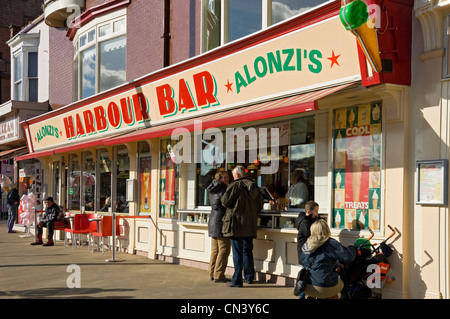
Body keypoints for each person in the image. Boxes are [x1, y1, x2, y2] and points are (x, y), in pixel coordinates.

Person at [221, 165, 263, 287]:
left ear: (237, 175)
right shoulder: (254, 186)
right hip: (250, 225)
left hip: (236, 224)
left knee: (237, 253)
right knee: (248, 251)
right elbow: (260, 206)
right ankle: (249, 277)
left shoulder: (235, 185)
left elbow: (224, 202)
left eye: (233, 175)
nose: (232, 177)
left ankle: (237, 280)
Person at [300, 219, 356, 299]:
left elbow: (303, 260)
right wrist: (351, 247)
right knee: (340, 285)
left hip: (307, 285)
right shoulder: (330, 243)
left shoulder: (307, 243)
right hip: (324, 286)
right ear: (327, 229)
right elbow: (348, 257)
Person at [207, 170, 231, 283]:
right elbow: (227, 204)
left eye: (227, 177)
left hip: (212, 219)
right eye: (224, 177)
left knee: (215, 249)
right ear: (219, 179)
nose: (226, 179)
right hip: (221, 220)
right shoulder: (223, 189)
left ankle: (212, 273)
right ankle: (219, 274)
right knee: (224, 249)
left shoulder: (213, 188)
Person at [296, 201, 321, 265]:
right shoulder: (305, 223)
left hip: (308, 254)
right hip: (305, 255)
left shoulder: (310, 220)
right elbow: (312, 235)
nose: (317, 214)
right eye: (315, 211)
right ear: (308, 212)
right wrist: (317, 221)